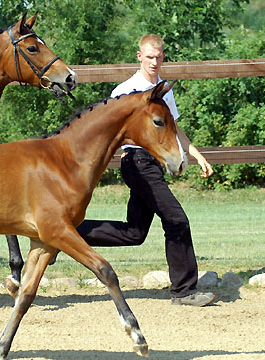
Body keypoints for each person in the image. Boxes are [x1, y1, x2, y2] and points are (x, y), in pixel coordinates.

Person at [76, 34, 215, 307]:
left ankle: (68, 232)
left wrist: (195, 154)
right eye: (148, 57)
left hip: (153, 164)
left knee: (134, 233)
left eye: (158, 57)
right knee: (176, 220)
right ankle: (185, 291)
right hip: (138, 163)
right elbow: (108, 133)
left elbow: (172, 129)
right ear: (139, 56)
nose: (153, 61)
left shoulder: (164, 90)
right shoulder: (125, 91)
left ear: (163, 57)